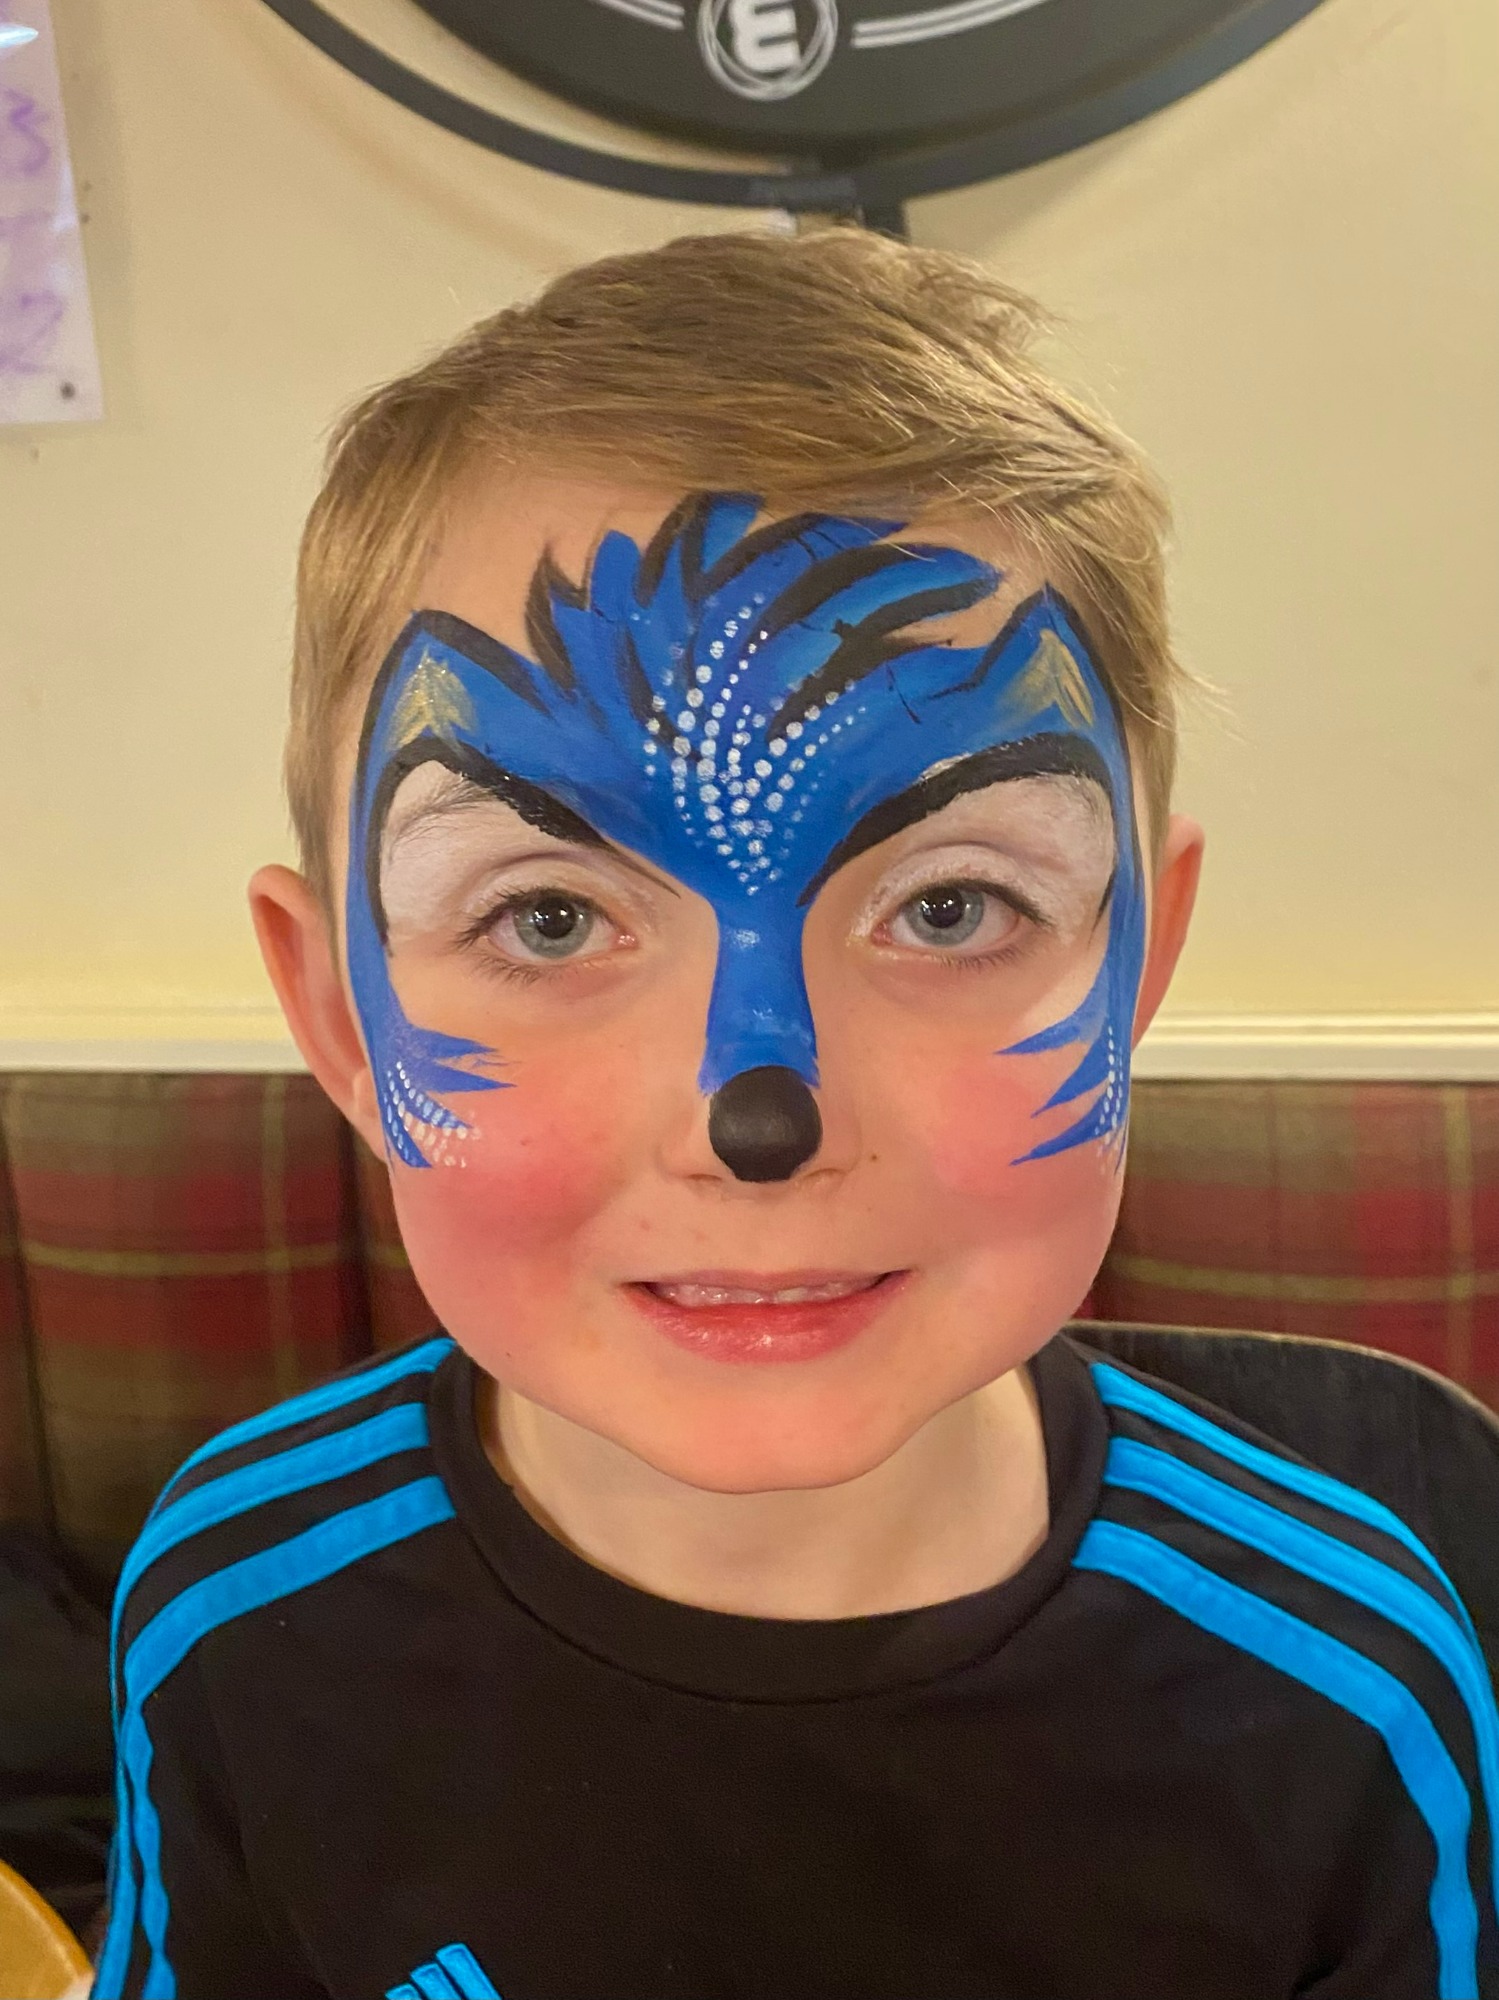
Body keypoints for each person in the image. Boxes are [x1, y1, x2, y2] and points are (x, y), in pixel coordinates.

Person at [95, 228, 1497, 2000]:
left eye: (952, 908)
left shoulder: (1348, 1693)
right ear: (335, 1016)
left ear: (1137, 965)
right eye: (549, 918)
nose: (759, 1114)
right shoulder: (232, 1610)